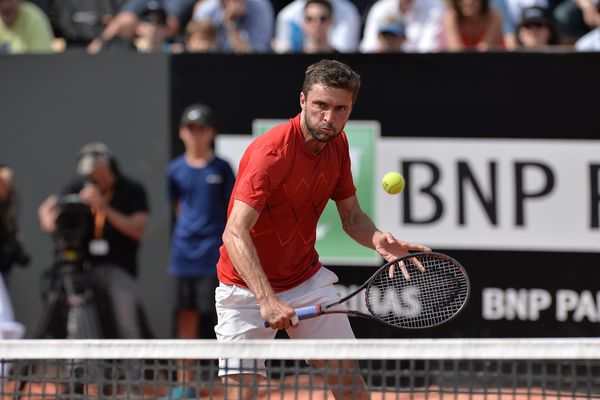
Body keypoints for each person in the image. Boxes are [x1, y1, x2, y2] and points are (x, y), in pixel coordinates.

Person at [215, 59, 432, 399]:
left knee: (350, 387)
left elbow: (352, 217)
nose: (329, 118)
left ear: (351, 108)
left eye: (340, 109)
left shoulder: (338, 144)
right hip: (244, 289)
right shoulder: (270, 154)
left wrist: (377, 239)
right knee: (241, 394)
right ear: (302, 100)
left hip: (306, 281)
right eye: (320, 106)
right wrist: (266, 299)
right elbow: (234, 232)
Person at [37, 142, 150, 339]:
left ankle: (133, 371)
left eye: (101, 174)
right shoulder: (80, 185)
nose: (96, 180)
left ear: (111, 168)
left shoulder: (132, 189)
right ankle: (83, 368)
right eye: (92, 176)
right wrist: (55, 226)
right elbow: (46, 209)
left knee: (127, 324)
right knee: (78, 321)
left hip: (119, 267)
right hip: (84, 266)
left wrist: (102, 207)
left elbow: (137, 230)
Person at [164, 104, 235, 399]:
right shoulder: (175, 170)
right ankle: (185, 385)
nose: (197, 135)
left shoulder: (222, 168)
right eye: (191, 129)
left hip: (214, 256)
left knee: (222, 320)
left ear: (211, 133)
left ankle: (227, 383)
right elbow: (177, 206)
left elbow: (232, 209)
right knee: (187, 318)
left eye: (202, 129)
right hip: (183, 254)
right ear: (182, 133)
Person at [273, 0, 360, 53]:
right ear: (303, 23)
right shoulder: (287, 14)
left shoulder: (348, 10)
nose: (316, 23)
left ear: (332, 21)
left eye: (323, 19)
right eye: (310, 19)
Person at [360, 0, 447, 53]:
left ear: (404, 38)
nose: (390, 40)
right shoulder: (379, 8)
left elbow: (429, 50)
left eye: (392, 36)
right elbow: (368, 48)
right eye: (386, 36)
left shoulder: (436, 7)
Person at [191, 0, 274, 53]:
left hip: (250, 71)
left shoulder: (260, 8)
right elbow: (196, 46)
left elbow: (253, 58)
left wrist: (231, 24)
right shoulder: (206, 10)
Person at [0, 165, 30, 285]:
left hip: (4, 269)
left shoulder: (9, 207)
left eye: (9, 181)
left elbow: (12, 234)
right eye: (3, 181)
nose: (6, 185)